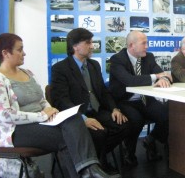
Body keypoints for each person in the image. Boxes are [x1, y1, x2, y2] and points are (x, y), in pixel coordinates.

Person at [0, 33, 120, 178]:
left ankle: (89, 171)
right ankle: (89, 171)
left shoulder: (27, 73)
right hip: (16, 130)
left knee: (75, 118)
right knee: (67, 136)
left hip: (42, 121)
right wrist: (41, 115)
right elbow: (5, 115)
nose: (24, 53)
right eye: (20, 50)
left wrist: (49, 108)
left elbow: (41, 100)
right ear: (5, 53)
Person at [51, 28, 129, 174]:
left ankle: (98, 159)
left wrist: (114, 109)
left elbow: (103, 92)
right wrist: (83, 119)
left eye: (92, 42)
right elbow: (61, 101)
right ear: (75, 46)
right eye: (88, 42)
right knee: (99, 133)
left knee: (123, 125)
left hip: (97, 111)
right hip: (77, 117)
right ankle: (97, 166)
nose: (92, 46)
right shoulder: (60, 69)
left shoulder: (94, 65)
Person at [109, 30, 172, 168]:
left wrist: (165, 78)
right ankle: (129, 152)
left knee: (168, 115)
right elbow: (130, 81)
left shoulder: (148, 57)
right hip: (125, 100)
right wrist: (156, 77)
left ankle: (151, 139)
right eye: (144, 43)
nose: (147, 46)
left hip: (145, 99)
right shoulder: (117, 59)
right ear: (132, 45)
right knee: (136, 120)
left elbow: (162, 73)